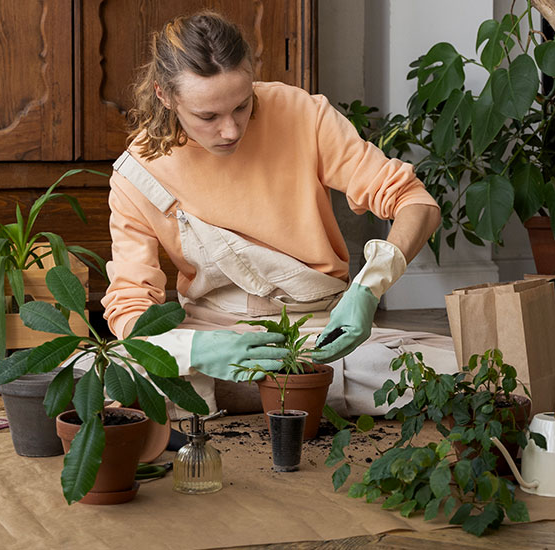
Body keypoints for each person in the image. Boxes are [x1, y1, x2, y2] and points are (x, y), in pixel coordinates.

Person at [101, 11, 458, 416]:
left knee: (465, 375)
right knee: (116, 378)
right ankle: (307, 387)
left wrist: (368, 289)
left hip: (318, 330)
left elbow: (416, 203)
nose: (232, 130)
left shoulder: (302, 113)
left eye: (241, 105)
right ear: (164, 95)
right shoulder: (138, 173)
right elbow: (131, 307)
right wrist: (196, 350)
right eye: (208, 116)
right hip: (213, 335)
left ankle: (264, 389)